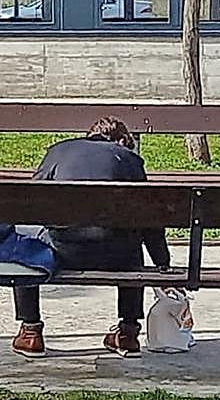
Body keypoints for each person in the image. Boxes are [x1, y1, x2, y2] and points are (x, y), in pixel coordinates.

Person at [11, 117, 172, 359]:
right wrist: (163, 263)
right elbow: (149, 220)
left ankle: (31, 331)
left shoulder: (59, 151)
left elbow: (31, 203)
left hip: (63, 251)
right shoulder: (130, 161)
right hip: (117, 257)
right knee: (131, 244)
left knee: (26, 245)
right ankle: (128, 333)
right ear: (121, 141)